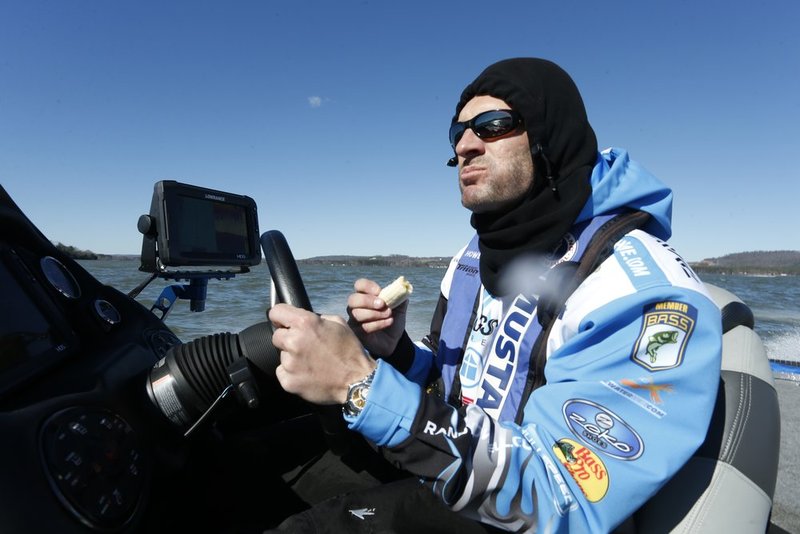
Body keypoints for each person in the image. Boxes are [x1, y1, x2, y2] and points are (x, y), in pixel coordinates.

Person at [267, 58, 722, 532]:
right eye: (458, 132)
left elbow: (559, 498)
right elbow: (452, 385)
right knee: (258, 458)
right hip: (452, 467)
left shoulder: (639, 293)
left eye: (493, 125)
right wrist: (396, 352)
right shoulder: (477, 256)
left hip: (514, 513)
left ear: (550, 135)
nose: (465, 145)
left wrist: (357, 383)